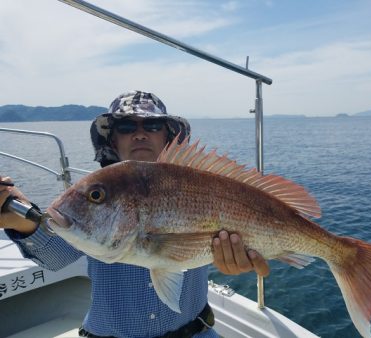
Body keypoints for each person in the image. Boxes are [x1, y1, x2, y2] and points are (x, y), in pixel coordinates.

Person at [0, 90, 270, 338]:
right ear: (113, 140)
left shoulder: (202, 183)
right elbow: (59, 255)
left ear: (168, 137)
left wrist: (239, 260)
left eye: (152, 125)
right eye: (127, 126)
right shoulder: (97, 192)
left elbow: (241, 232)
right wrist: (20, 222)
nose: (140, 134)